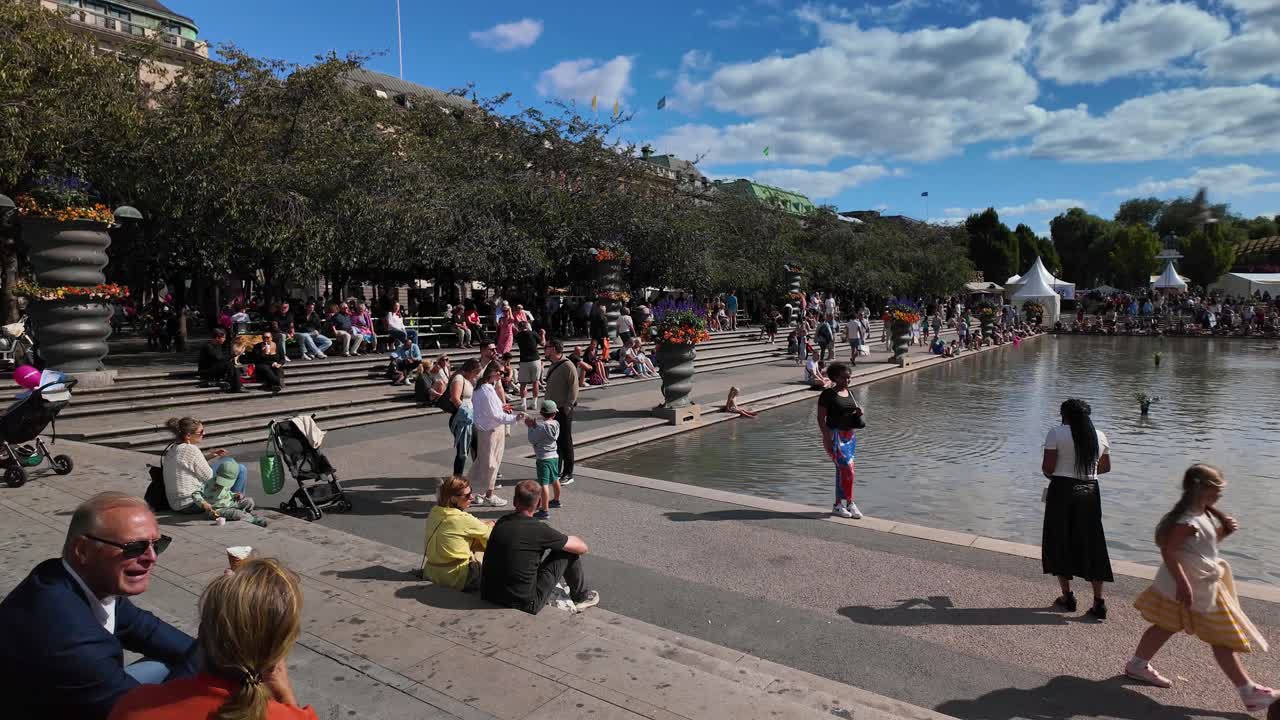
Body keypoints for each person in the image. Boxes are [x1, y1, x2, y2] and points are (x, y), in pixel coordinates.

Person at [0, 492, 198, 720]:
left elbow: (147, 629)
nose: (151, 557)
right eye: (135, 548)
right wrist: (224, 620)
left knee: (178, 660)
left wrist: (217, 656)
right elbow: (142, 714)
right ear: (82, 550)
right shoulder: (67, 637)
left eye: (157, 544)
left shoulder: (65, 576)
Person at [1126, 465, 1279, 711]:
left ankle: (1137, 664)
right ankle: (1248, 691)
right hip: (1192, 587)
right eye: (1217, 490)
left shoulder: (1200, 515)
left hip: (1195, 584)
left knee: (1165, 626)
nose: (1220, 496)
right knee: (1221, 637)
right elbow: (1169, 551)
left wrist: (1222, 533)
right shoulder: (1187, 520)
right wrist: (1185, 586)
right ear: (1203, 489)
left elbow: (1199, 549)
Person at [108, 557, 317, 720]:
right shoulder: (290, 716)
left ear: (202, 633)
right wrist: (285, 694)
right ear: (279, 653)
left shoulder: (134, 707)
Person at [480, 480, 600, 614]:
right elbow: (582, 548)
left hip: (489, 594)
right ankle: (581, 597)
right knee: (566, 552)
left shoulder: (502, 521)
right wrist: (567, 538)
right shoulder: (539, 530)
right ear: (538, 504)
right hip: (525, 603)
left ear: (514, 501)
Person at [1041, 398, 1113, 619]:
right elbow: (1106, 467)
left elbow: (1048, 467)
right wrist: (1084, 474)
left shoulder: (1056, 433)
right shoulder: (1099, 436)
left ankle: (1068, 596)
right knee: (1093, 541)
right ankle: (1098, 601)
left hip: (1062, 489)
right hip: (1090, 491)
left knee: (1059, 539)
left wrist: (1063, 474)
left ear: (1064, 415)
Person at [420, 476, 492, 591]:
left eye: (471, 492)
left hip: (431, 573)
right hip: (457, 578)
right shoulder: (463, 519)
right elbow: (492, 536)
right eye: (467, 495)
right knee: (487, 539)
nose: (472, 498)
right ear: (453, 499)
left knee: (472, 537)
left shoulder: (434, 512)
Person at [161, 417, 247, 513]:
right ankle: (233, 502)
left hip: (176, 503)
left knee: (229, 461)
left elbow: (188, 465)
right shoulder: (191, 449)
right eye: (201, 432)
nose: (204, 434)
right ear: (188, 435)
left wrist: (209, 456)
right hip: (193, 503)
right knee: (240, 468)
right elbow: (208, 477)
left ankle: (231, 499)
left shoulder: (174, 447)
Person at [470, 362, 522, 507]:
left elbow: (489, 410)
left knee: (482, 463)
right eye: (500, 372)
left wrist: (501, 407)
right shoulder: (486, 389)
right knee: (491, 464)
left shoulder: (482, 387)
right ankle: (488, 495)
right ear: (492, 372)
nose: (502, 376)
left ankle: (473, 492)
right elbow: (496, 416)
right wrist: (516, 418)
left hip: (485, 429)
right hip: (492, 430)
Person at [816, 363, 864, 519]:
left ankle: (843, 504)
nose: (848, 380)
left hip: (849, 437)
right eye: (844, 377)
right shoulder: (828, 394)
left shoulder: (849, 392)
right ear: (835, 377)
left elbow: (848, 412)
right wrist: (826, 437)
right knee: (847, 469)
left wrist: (859, 411)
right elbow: (820, 418)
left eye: (849, 377)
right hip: (834, 436)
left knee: (846, 470)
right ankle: (844, 503)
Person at [543, 339, 579, 487]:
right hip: (552, 409)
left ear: (554, 349)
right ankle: (556, 470)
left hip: (563, 408)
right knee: (556, 441)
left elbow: (574, 385)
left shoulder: (568, 365)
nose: (544, 349)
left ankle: (568, 473)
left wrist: (569, 404)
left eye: (546, 347)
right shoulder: (553, 365)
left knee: (565, 440)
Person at [192, 460, 268, 527]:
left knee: (249, 501)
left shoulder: (227, 484)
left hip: (231, 503)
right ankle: (251, 519)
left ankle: (246, 515)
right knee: (236, 513)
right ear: (217, 473)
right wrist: (203, 503)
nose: (223, 484)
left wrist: (235, 495)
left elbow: (227, 493)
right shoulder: (208, 484)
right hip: (217, 510)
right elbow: (195, 494)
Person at [524, 400, 562, 520]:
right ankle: (556, 500)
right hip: (554, 456)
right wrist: (535, 427)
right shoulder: (556, 424)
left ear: (541, 413)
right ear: (554, 413)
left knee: (544, 484)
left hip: (543, 458)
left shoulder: (541, 427)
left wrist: (530, 428)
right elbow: (545, 431)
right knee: (555, 478)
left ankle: (544, 510)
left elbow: (532, 439)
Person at [445, 360, 480, 476]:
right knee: (462, 450)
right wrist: (467, 412)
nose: (477, 375)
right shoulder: (458, 379)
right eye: (476, 372)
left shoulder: (467, 379)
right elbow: (455, 398)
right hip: (461, 419)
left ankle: (477, 474)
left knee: (476, 445)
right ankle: (457, 478)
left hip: (469, 418)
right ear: (470, 370)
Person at [197, 328, 242, 393]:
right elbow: (218, 358)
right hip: (206, 371)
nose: (225, 339)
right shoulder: (208, 346)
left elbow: (221, 359)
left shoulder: (218, 345)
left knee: (233, 365)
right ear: (217, 337)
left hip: (215, 368)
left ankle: (238, 386)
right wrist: (233, 355)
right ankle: (237, 387)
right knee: (229, 364)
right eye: (223, 337)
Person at [514, 321, 543, 410]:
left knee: (523, 384)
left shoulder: (518, 336)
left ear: (519, 328)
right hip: (535, 359)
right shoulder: (533, 333)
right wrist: (543, 334)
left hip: (524, 361)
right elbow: (543, 343)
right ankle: (534, 403)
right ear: (527, 325)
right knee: (535, 382)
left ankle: (523, 404)